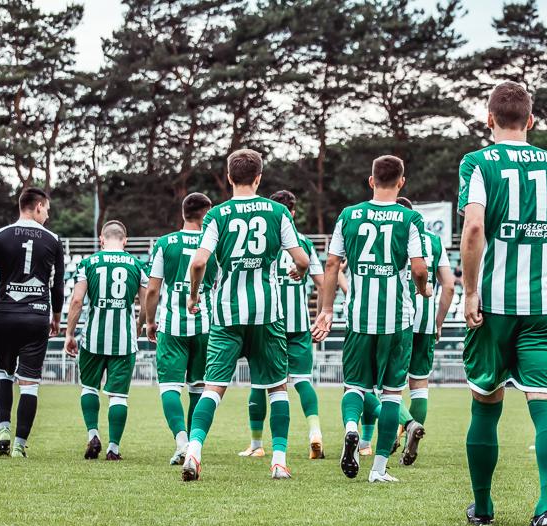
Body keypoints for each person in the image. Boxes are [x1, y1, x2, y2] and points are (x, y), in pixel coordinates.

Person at [454, 81, 547, 526]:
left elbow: (473, 227)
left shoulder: (477, 162)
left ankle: (482, 507)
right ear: (531, 121)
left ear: (489, 119)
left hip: (494, 307)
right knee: (546, 407)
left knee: (485, 405)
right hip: (546, 307)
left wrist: (470, 291)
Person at [182, 149, 310, 481]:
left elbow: (198, 262)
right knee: (277, 388)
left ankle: (193, 451)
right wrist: (299, 270)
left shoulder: (217, 215)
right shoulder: (277, 211)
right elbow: (303, 259)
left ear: (229, 177)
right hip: (267, 313)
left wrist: (194, 295)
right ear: (259, 178)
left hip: (227, 314)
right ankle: (278, 461)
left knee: (213, 388)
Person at [311, 155, 430, 485]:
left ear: (371, 181)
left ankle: (351, 429)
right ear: (401, 182)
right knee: (392, 394)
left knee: (355, 386)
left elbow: (332, 264)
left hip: (358, 317)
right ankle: (378, 469)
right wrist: (422, 289)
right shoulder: (410, 218)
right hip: (397, 319)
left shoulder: (349, 215)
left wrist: (326, 310)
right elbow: (419, 269)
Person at [236, 189, 347, 460]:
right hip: (299, 324)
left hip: (267, 321)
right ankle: (315, 433)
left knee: (261, 383)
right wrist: (320, 315)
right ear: (293, 213)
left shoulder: (263, 242)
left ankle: (257, 443)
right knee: (303, 381)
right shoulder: (305, 244)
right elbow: (323, 284)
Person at [0, 187, 65, 458]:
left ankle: (3, 431)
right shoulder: (54, 240)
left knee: (4, 374)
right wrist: (56, 318)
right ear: (37, 206)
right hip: (36, 317)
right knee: (29, 384)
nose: (48, 215)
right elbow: (57, 285)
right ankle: (19, 446)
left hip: (5, 315)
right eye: (47, 210)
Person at [65, 221, 148, 461]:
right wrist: (140, 325)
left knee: (89, 387)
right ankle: (113, 449)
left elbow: (77, 301)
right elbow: (146, 303)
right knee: (118, 397)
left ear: (101, 239)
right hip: (124, 341)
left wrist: (69, 333)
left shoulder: (88, 263)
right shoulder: (137, 265)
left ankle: (93, 435)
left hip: (93, 339)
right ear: (125, 241)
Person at [144, 193, 216, 465]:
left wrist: (150, 321)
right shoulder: (214, 244)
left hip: (172, 325)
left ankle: (182, 442)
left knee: (169, 387)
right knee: (199, 388)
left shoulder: (165, 243)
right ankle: (194, 445)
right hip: (205, 324)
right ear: (205, 215)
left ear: (184, 213)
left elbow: (153, 289)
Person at [394, 196, 455, 467]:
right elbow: (449, 286)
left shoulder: (392, 236)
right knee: (419, 384)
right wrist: (438, 322)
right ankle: (408, 434)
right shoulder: (434, 241)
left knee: (385, 385)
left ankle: (406, 425)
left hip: (397, 319)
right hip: (426, 322)